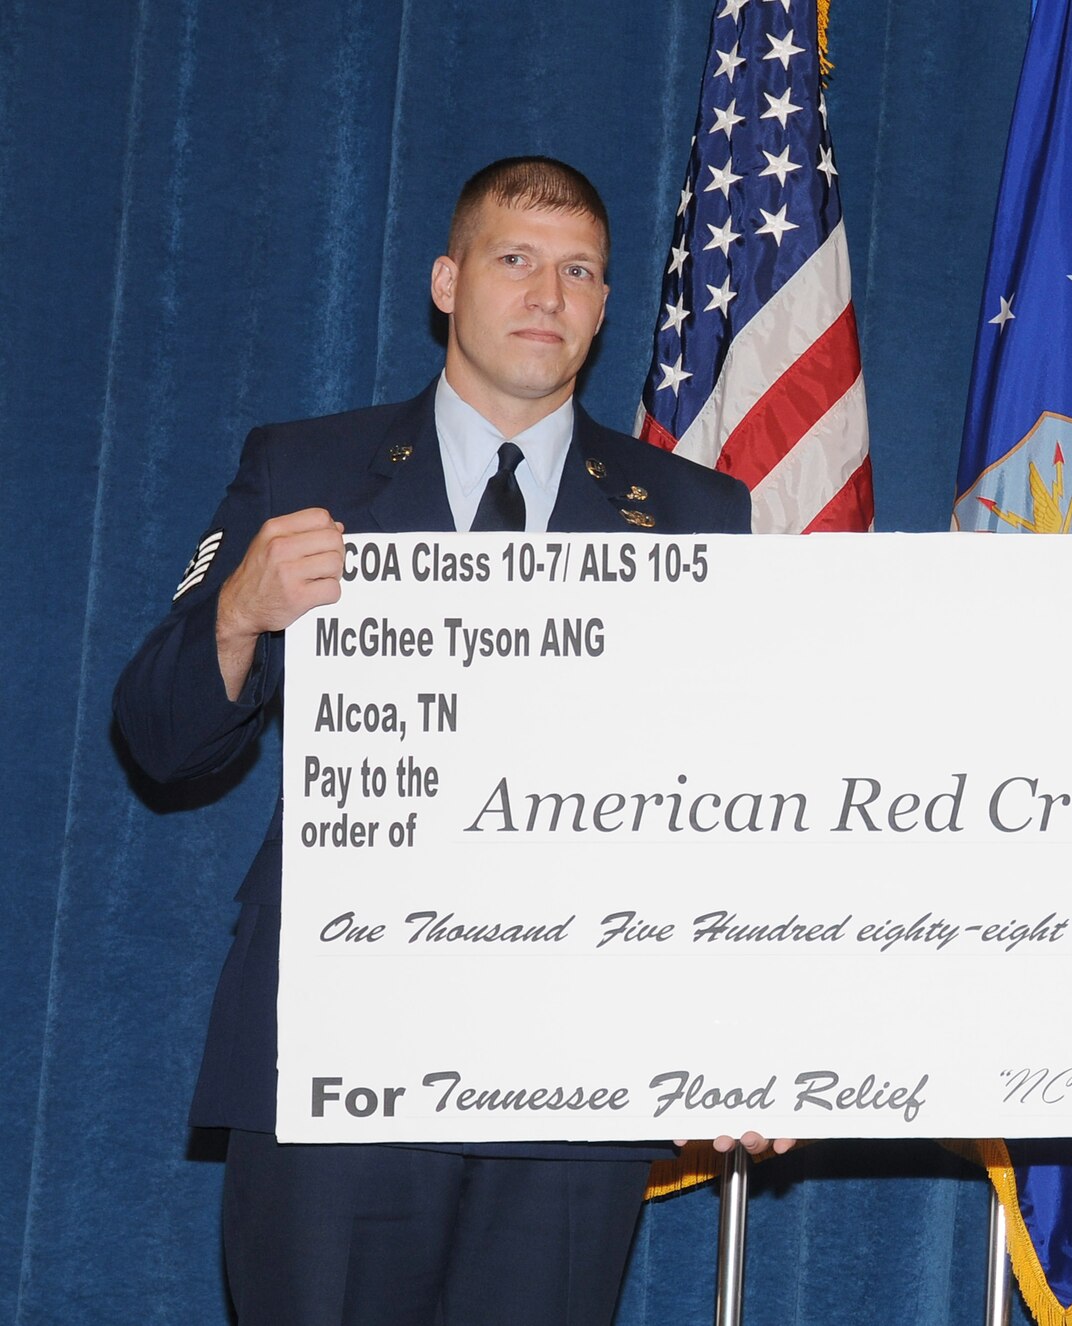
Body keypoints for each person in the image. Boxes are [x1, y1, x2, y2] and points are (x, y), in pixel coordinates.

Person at [115, 156, 768, 1326]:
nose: (546, 295)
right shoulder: (304, 468)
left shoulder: (695, 514)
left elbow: (728, 804)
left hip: (578, 1069)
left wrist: (728, 1032)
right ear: (445, 280)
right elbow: (158, 741)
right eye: (514, 260)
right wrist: (239, 611)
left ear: (609, 305)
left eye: (578, 272)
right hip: (338, 1049)